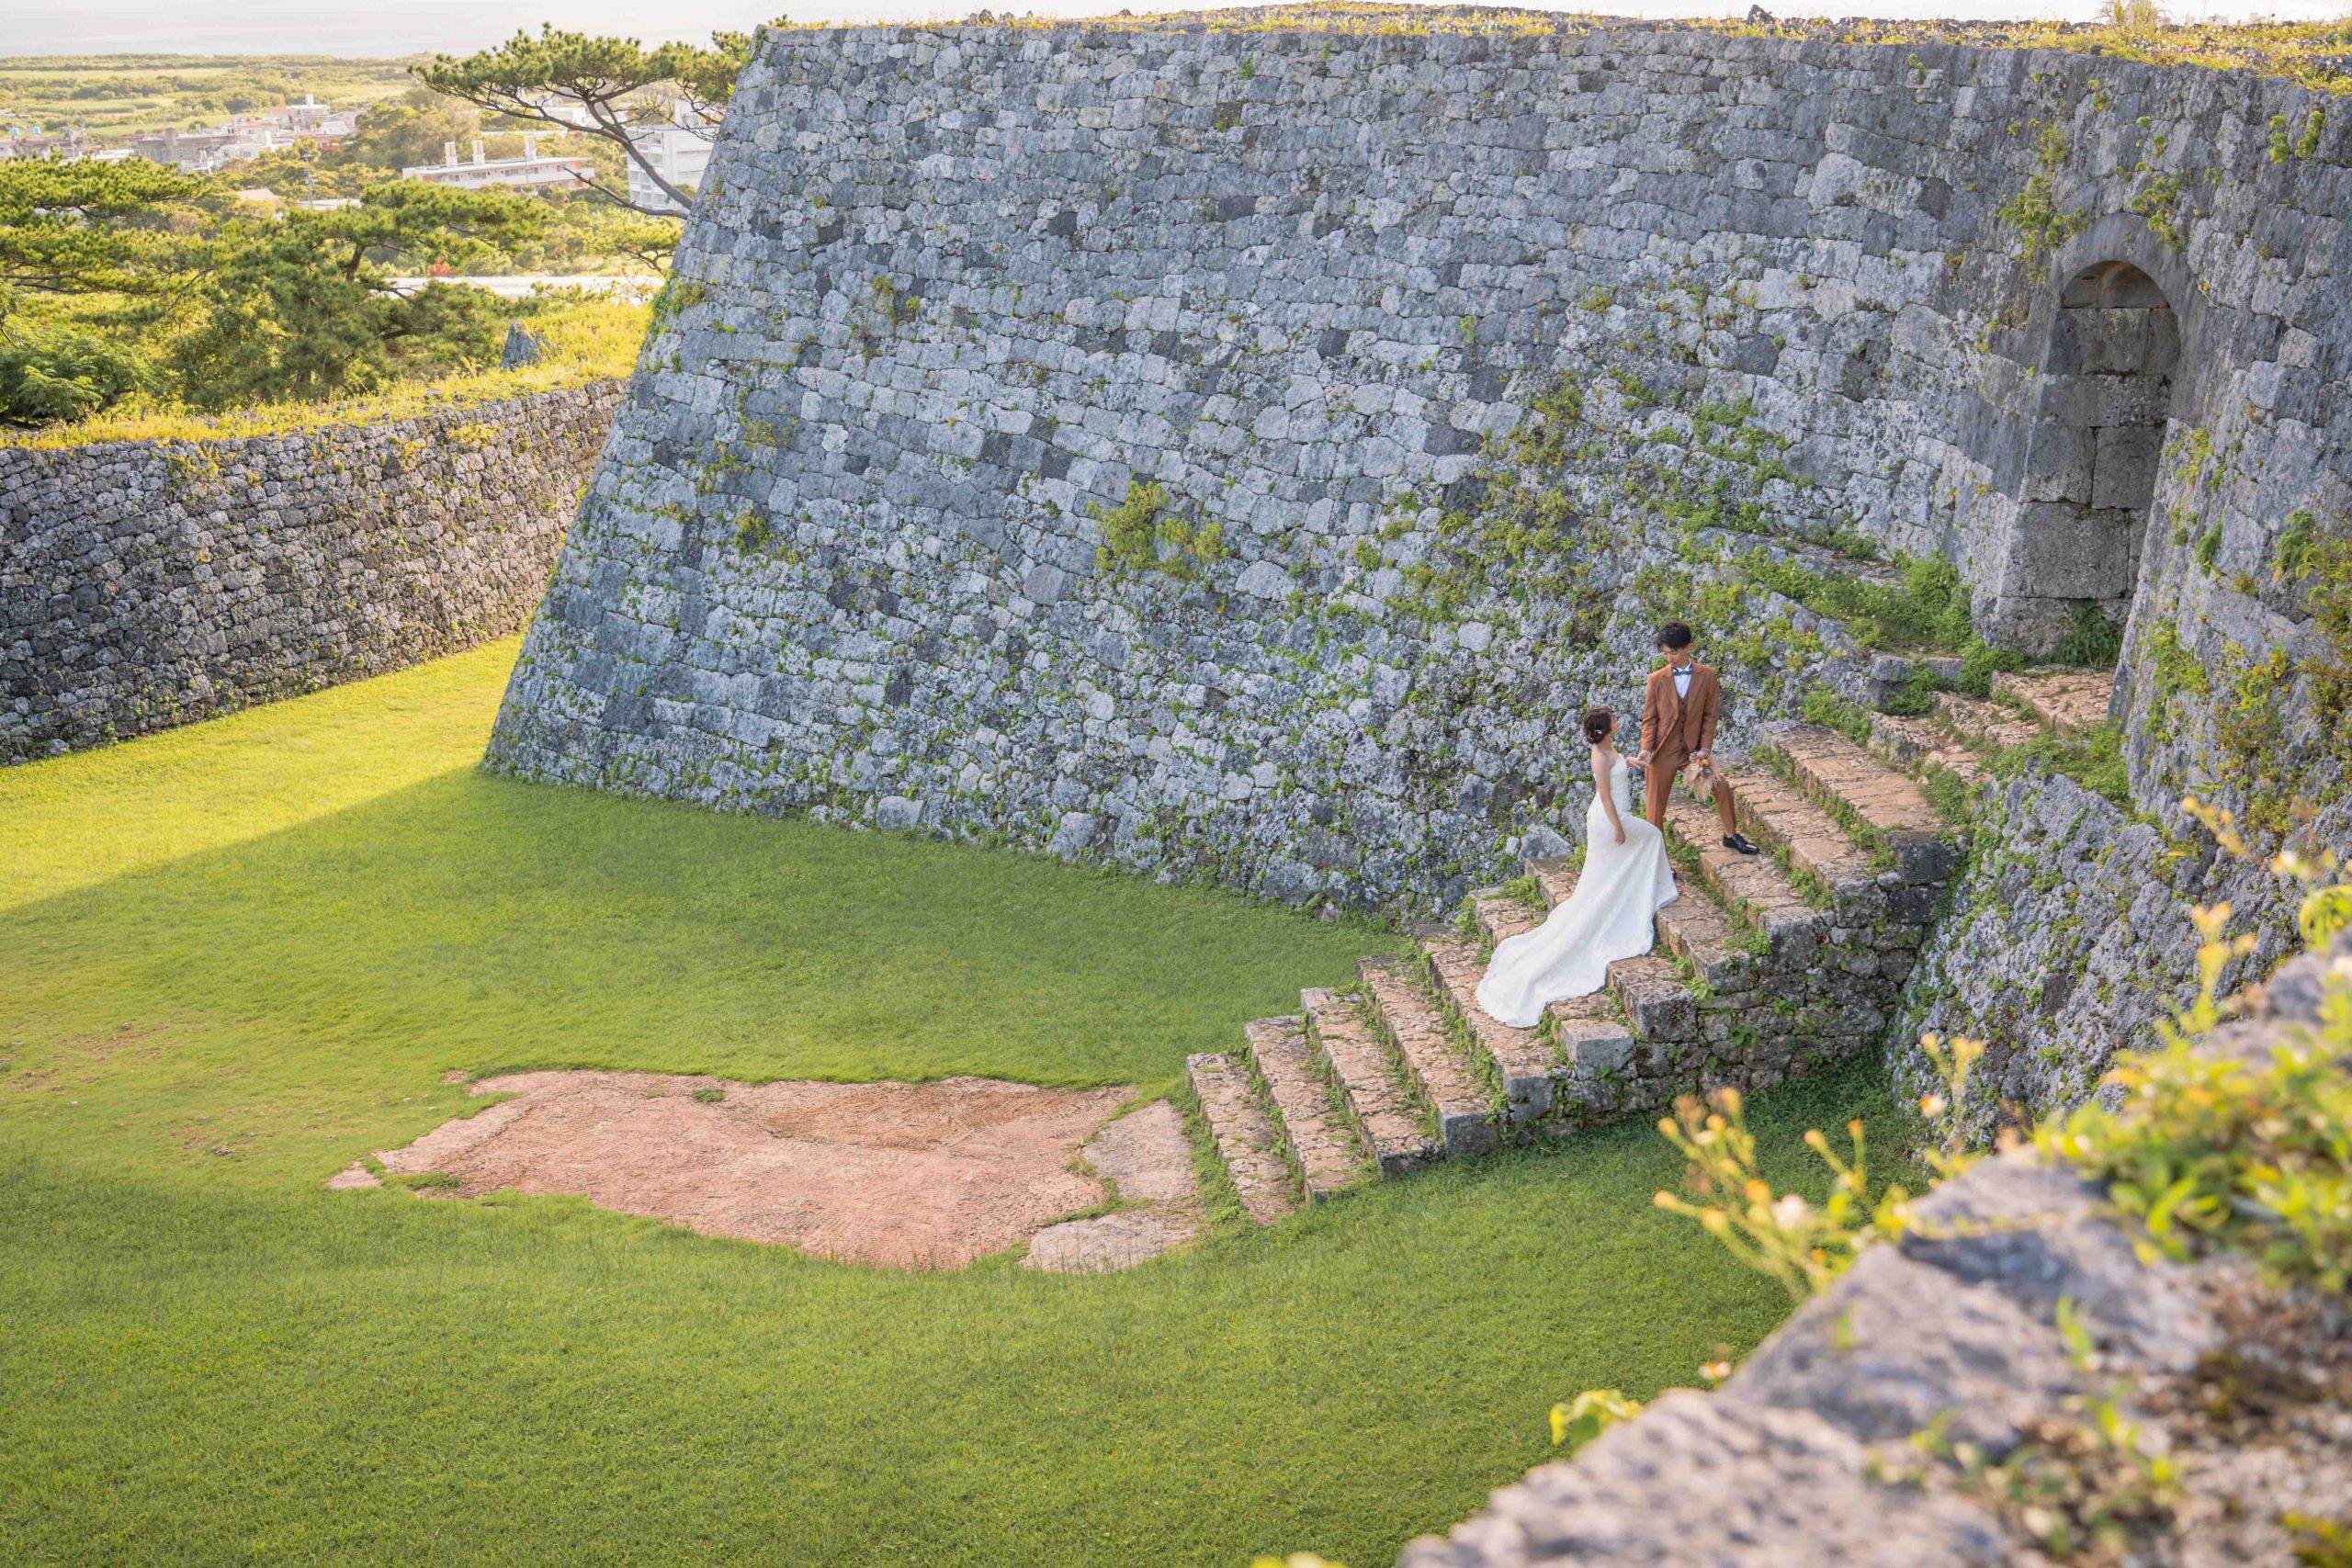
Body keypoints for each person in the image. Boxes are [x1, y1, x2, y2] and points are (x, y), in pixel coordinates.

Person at [1476, 706, 1679, 1028]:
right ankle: (1658, 885)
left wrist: (1633, 762)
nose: (1617, 720)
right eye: (1613, 718)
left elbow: (1618, 767)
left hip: (1615, 815)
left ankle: (1645, 885)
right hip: (1609, 818)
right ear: (1605, 728)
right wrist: (1618, 827)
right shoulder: (1599, 755)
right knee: (1651, 836)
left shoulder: (1609, 749)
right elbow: (1605, 794)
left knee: (1619, 865)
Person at [1634, 623, 1762, 856]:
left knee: (1721, 786)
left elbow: (1711, 715)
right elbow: (1649, 719)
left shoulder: (1708, 676)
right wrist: (1646, 749)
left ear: (1688, 647)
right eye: (1665, 652)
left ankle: (1731, 835)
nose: (1669, 657)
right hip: (1662, 752)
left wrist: (1704, 748)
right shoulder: (1656, 679)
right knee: (1654, 808)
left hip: (1692, 753)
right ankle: (1658, 858)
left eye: (1674, 652)